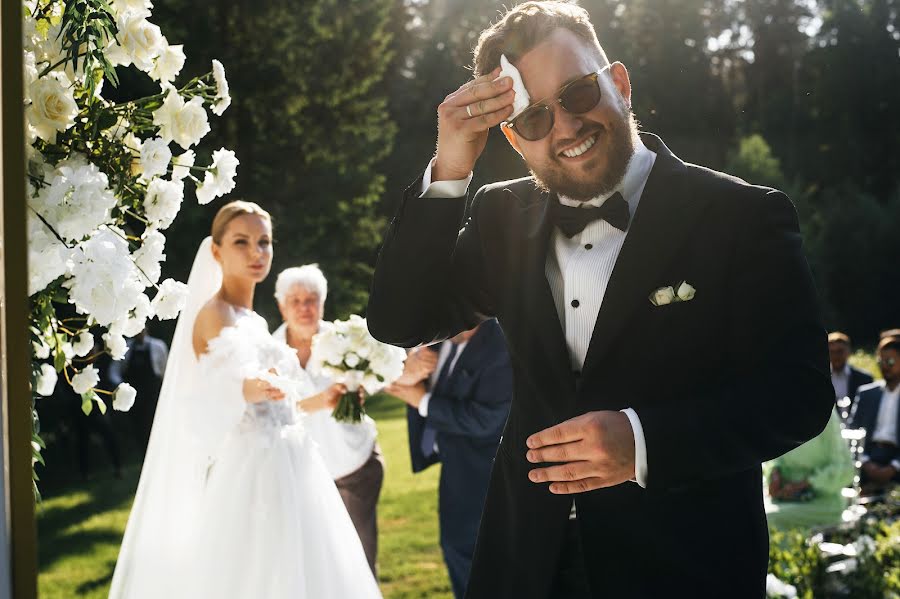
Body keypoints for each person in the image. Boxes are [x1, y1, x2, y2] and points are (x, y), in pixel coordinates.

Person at [366, 2, 834, 596]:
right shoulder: (500, 217)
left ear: (618, 82)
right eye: (534, 118)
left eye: (578, 93)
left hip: (684, 567)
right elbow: (398, 319)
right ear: (511, 137)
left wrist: (642, 441)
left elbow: (797, 396)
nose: (563, 127)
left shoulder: (743, 217)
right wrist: (451, 164)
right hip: (524, 567)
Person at [109, 201, 381, 599]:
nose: (257, 252)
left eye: (264, 242)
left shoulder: (254, 320)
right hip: (255, 470)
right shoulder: (213, 313)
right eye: (242, 242)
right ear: (217, 251)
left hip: (297, 462)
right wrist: (249, 387)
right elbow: (210, 391)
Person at [387, 320, 513, 598]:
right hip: (453, 469)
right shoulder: (435, 341)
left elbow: (490, 420)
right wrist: (409, 375)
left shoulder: (500, 345)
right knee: (456, 552)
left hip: (485, 476)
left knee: (478, 560)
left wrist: (423, 401)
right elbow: (392, 382)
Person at [272, 264, 385, 574]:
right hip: (303, 475)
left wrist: (361, 389)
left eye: (311, 299)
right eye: (295, 300)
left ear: (322, 303)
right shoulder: (270, 352)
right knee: (316, 566)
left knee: (358, 564)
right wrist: (320, 401)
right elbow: (270, 414)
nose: (304, 307)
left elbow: (379, 378)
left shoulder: (346, 339)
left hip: (354, 468)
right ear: (282, 306)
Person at [764, 407, 854, 531]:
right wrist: (774, 475)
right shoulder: (779, 411)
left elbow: (842, 468)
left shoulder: (824, 412)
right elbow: (774, 459)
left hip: (823, 501)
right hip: (783, 499)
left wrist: (803, 485)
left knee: (767, 520)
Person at [849, 334, 900, 495]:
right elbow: (852, 431)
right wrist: (865, 462)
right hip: (867, 458)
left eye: (890, 361)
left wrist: (894, 467)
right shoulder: (866, 393)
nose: (884, 366)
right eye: (881, 361)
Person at [112, 327, 169, 453]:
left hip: (153, 395)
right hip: (134, 398)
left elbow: (165, 372)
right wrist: (121, 387)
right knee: (139, 429)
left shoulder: (158, 346)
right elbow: (114, 372)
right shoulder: (124, 348)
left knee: (157, 426)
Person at [828, 331, 873, 420]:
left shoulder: (865, 379)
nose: (836, 356)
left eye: (840, 351)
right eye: (831, 352)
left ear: (848, 352)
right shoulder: (821, 379)